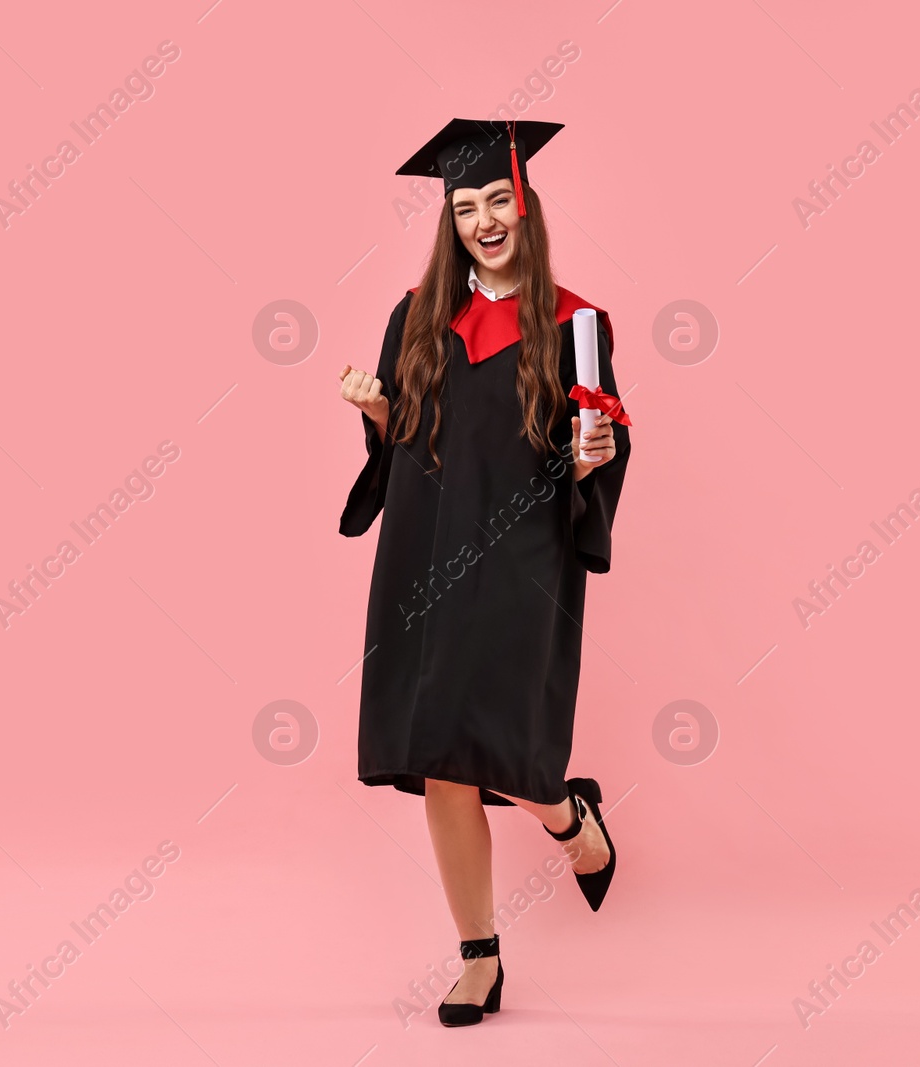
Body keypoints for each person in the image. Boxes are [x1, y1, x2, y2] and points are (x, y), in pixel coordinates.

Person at [337, 117, 633, 1027]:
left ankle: (569, 817)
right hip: (426, 558)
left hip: (520, 562)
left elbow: (600, 439)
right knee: (443, 764)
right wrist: (379, 409)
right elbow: (407, 444)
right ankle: (479, 957)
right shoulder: (417, 314)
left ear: (526, 204)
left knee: (519, 754)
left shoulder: (575, 320)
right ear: (450, 219)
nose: (484, 220)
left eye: (498, 199)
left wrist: (594, 452)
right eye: (466, 207)